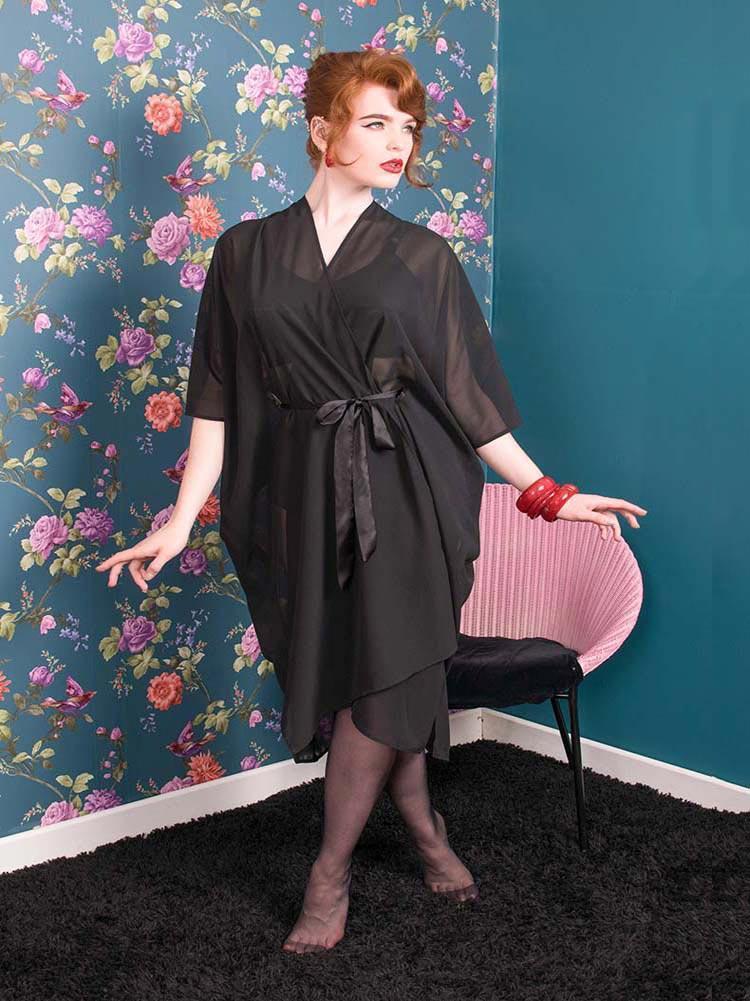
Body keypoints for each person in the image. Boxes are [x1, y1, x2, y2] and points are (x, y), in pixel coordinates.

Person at [96, 50, 647, 954]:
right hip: (305, 497)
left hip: (407, 488)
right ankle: (425, 826)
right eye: (377, 122)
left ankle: (329, 872)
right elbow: (216, 398)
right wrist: (181, 517)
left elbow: (469, 402)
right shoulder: (244, 252)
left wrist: (550, 496)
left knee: (390, 670)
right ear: (323, 129)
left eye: (410, 127)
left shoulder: (422, 256)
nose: (401, 142)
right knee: (370, 676)